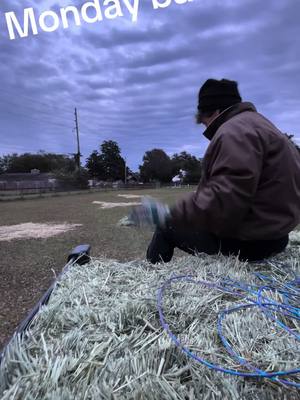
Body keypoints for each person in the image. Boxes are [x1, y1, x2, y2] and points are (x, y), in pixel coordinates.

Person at [143, 78, 300, 263]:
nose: (206, 128)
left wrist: (171, 213)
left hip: (252, 243)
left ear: (215, 111)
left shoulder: (234, 132)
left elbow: (224, 199)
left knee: (166, 225)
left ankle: (148, 281)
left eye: (204, 122)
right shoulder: (263, 126)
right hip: (277, 235)